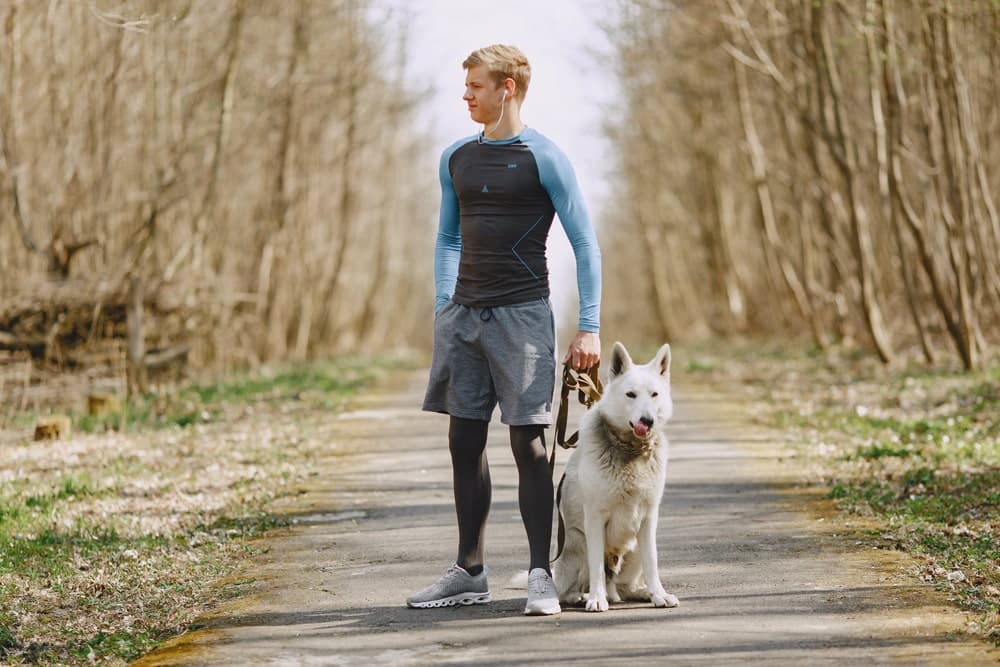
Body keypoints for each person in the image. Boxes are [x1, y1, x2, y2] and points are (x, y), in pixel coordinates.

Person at [407, 44, 601, 616]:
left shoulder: (545, 157)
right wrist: (445, 303)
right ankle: (469, 571)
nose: (465, 95)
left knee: (530, 444)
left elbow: (584, 243)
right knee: (463, 441)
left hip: (522, 317)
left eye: (474, 86)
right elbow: (447, 238)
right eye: (466, 87)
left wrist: (588, 327)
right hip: (464, 317)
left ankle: (540, 574)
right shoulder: (456, 158)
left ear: (507, 88)